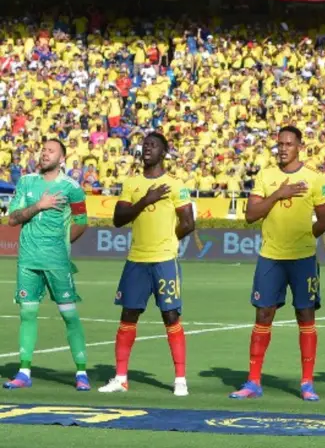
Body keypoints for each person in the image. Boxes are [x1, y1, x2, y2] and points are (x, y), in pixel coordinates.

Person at [229, 125, 325, 401]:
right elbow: (251, 215)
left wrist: (306, 237)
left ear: (300, 146)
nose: (283, 148)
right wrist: (278, 194)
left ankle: (307, 383)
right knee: (263, 315)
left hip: (303, 259)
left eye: (289, 143)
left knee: (305, 316)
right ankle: (253, 382)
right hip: (270, 257)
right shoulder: (266, 176)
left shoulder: (315, 178)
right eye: (280, 144)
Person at [99, 132, 195, 396]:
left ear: (164, 152)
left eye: (153, 145)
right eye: (144, 145)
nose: (147, 148)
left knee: (171, 315)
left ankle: (180, 380)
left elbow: (189, 222)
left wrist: (167, 241)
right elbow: (119, 219)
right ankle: (120, 378)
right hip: (136, 260)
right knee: (128, 314)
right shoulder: (132, 183)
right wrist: (145, 200)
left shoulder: (175, 184)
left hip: (164, 259)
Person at [3, 138, 92, 391]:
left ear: (62, 158)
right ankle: (23, 371)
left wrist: (62, 246)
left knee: (69, 315)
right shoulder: (26, 182)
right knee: (27, 314)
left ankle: (82, 372)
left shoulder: (72, 188)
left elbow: (82, 221)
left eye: (51, 151)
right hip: (28, 261)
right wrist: (38, 206)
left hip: (57, 263)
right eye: (43, 150)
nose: (45, 154)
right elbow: (12, 219)